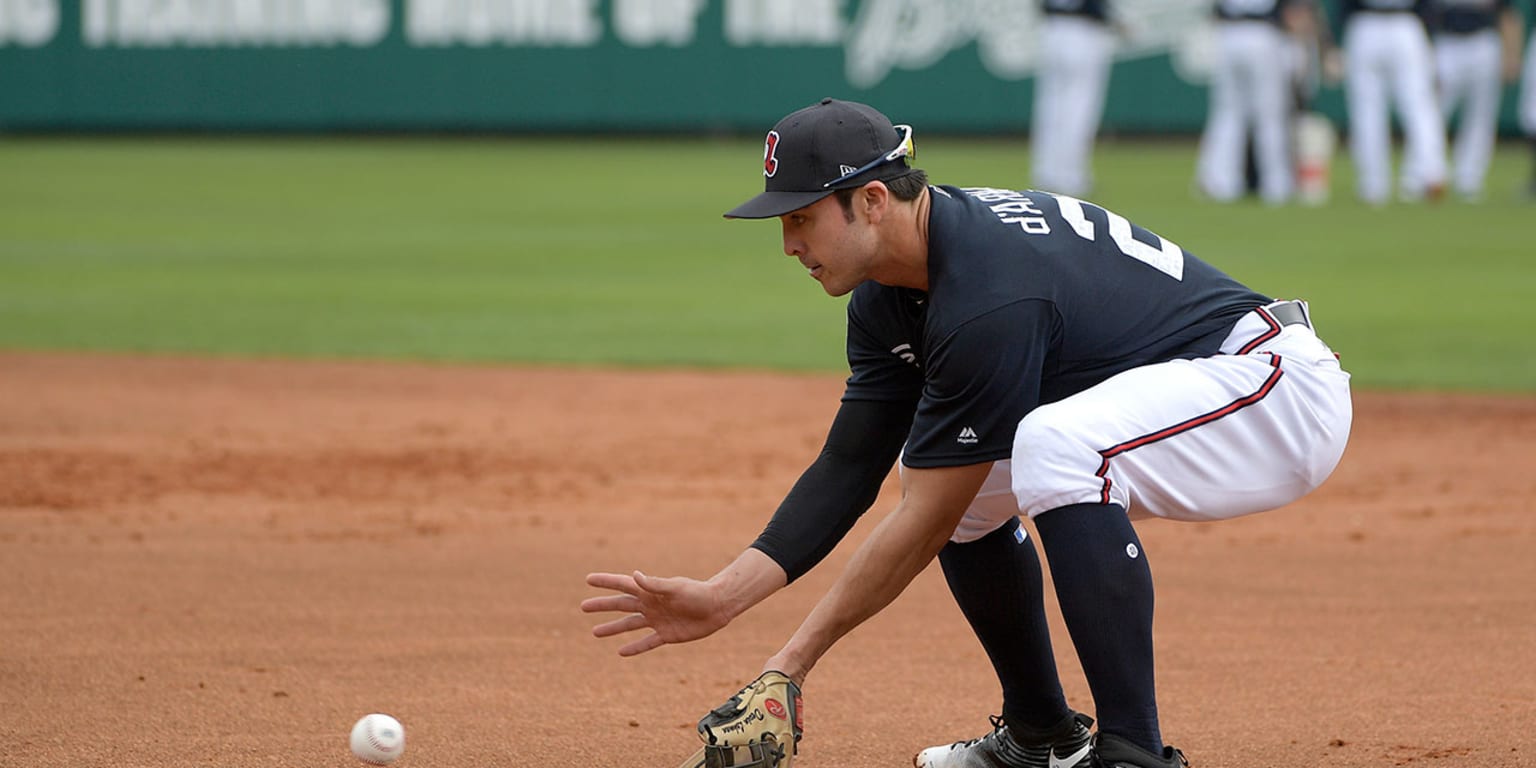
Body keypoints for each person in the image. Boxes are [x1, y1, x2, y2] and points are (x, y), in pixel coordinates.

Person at [582, 98, 1354, 768]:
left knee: (1048, 449)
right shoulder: (894, 290)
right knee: (982, 482)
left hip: (1270, 390)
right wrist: (723, 597)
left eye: (801, 219)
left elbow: (925, 514)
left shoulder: (986, 291)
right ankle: (1041, 736)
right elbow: (851, 464)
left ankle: (1134, 751)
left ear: (874, 200)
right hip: (1197, 386)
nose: (788, 244)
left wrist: (788, 666)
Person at [1197, 0, 1323, 204]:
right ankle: (1275, 185)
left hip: (1229, 33)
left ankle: (1220, 182)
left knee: (1228, 114)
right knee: (1269, 116)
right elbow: (1295, 12)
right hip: (1263, 34)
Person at [1337, 0, 1448, 204]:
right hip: (1404, 25)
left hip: (1368, 25)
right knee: (1418, 106)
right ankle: (1430, 174)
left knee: (1369, 111)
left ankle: (1374, 184)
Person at [1429, 0, 1524, 201]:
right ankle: (1426, 173)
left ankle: (1469, 179)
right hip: (1447, 42)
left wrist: (1512, 54)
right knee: (1432, 114)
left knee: (1481, 118)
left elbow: (1509, 14)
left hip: (1483, 42)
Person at [1031, 0, 1118, 197]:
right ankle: (1070, 177)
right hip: (1084, 31)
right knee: (1079, 108)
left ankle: (1046, 173)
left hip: (1052, 29)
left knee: (1050, 107)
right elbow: (1095, 7)